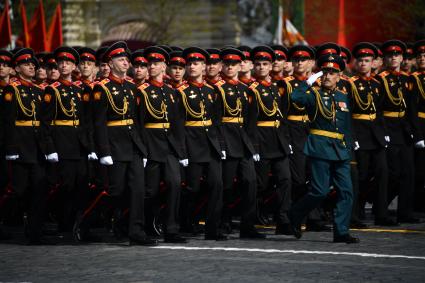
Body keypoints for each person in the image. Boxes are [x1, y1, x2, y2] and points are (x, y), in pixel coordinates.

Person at [288, 54, 359, 244]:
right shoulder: (313, 95)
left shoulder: (343, 96)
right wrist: (308, 81)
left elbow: (346, 125)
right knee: (319, 191)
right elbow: (295, 97)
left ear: (339, 75)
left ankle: (341, 232)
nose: (327, 76)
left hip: (340, 149)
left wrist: (350, 146)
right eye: (325, 72)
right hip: (319, 148)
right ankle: (295, 214)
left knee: (346, 191)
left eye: (332, 72)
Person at [91, 41, 157, 245]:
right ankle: (95, 221)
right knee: (116, 191)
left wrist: (143, 149)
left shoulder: (131, 87)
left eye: (126, 60)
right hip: (114, 145)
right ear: (110, 63)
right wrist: (103, 151)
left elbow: (138, 121)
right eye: (121, 59)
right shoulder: (101, 88)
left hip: (133, 145)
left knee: (137, 190)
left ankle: (136, 231)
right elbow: (98, 123)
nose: (125, 62)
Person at [137, 46, 187, 243]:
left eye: (156, 63)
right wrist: (141, 150)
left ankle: (171, 229)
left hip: (169, 146)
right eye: (149, 63)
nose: (151, 66)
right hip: (151, 145)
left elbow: (177, 123)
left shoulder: (170, 92)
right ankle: (148, 225)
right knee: (151, 190)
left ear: (164, 66)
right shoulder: (142, 91)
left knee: (175, 184)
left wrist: (181, 151)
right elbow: (139, 123)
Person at [215, 47, 265, 239]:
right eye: (226, 64)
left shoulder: (246, 90)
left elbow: (251, 122)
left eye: (233, 64)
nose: (230, 67)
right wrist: (220, 145)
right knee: (226, 186)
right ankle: (223, 221)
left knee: (251, 183)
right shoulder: (217, 90)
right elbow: (216, 120)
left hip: (243, 142)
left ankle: (248, 225)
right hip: (227, 141)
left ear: (239, 66)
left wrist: (254, 147)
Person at [2, 48, 50, 244]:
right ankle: (8, 224)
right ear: (17, 69)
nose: (32, 67)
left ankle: (34, 231)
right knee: (18, 190)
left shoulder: (40, 91)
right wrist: (10, 148)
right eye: (26, 64)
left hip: (37, 146)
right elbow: (8, 121)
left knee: (39, 189)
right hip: (20, 145)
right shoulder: (11, 90)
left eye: (33, 65)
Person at [177, 47, 226, 240]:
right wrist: (183, 151)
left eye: (196, 63)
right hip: (192, 144)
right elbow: (179, 124)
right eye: (189, 64)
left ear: (204, 67)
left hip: (210, 144)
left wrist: (221, 146)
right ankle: (186, 223)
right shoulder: (181, 92)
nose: (192, 67)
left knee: (216, 185)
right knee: (192, 188)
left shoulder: (211, 91)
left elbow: (217, 121)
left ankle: (212, 229)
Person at [41, 47, 91, 233]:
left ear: (73, 66)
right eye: (60, 63)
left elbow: (87, 120)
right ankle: (65, 224)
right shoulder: (51, 90)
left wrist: (91, 146)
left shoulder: (81, 89)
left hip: (80, 144)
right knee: (67, 186)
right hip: (62, 143)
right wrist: (50, 148)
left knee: (82, 185)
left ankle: (79, 224)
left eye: (67, 63)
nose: (63, 65)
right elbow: (45, 123)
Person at [349, 42, 397, 226]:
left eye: (367, 61)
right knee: (360, 176)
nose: (363, 64)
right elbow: (349, 114)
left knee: (383, 173)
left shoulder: (378, 83)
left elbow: (380, 110)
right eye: (360, 60)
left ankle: (381, 213)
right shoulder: (351, 83)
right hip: (360, 134)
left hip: (376, 135)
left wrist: (384, 133)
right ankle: (356, 212)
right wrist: (352, 137)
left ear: (373, 63)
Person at [249, 45, 293, 235]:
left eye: (265, 64)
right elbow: (249, 122)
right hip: (261, 141)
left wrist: (286, 140)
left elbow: (281, 116)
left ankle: (283, 220)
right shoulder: (251, 90)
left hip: (278, 140)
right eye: (257, 64)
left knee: (285, 179)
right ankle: (251, 219)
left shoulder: (276, 88)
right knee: (260, 184)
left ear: (270, 66)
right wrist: (255, 146)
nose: (261, 67)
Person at [378, 40, 421, 223]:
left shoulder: (407, 79)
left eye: (397, 55)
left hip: (404, 129)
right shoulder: (380, 79)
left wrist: (415, 132)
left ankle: (405, 212)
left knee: (408, 173)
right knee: (392, 173)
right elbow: (377, 109)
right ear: (385, 59)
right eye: (390, 55)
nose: (393, 58)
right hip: (388, 127)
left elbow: (411, 108)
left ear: (402, 58)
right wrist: (382, 132)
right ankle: (381, 209)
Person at [410, 40, 425, 213]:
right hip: (421, 124)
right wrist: (418, 134)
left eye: (424, 55)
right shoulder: (414, 79)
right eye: (419, 55)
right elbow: (412, 109)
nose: (422, 58)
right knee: (420, 170)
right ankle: (417, 203)